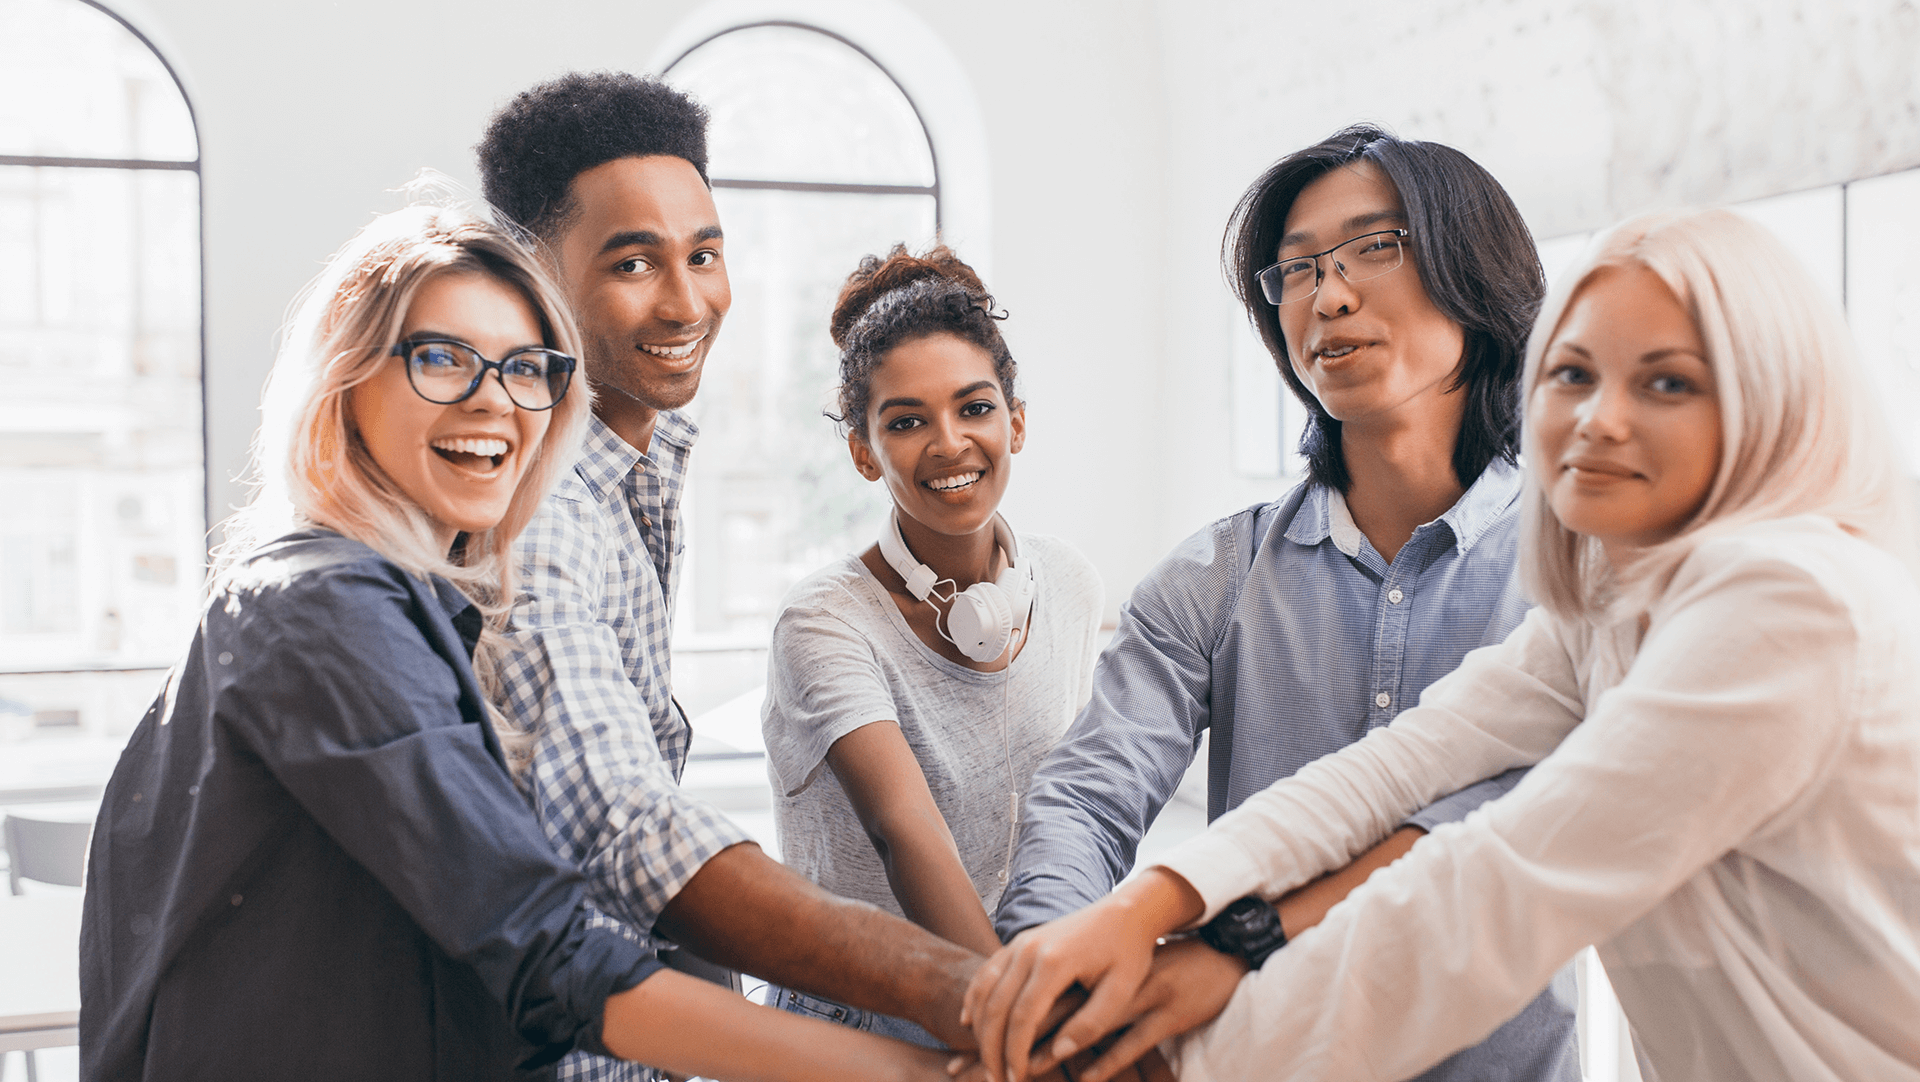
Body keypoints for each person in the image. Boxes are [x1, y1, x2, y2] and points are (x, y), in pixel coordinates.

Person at [964, 207, 1920, 1082]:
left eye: (1667, 381)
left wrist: (1167, 1056)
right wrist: (1144, 911)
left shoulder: (1787, 603)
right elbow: (1387, 770)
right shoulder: (1604, 607)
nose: (1599, 420)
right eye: (1575, 374)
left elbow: (1495, 886)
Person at [78, 205, 958, 1082]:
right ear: (345, 384)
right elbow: (548, 955)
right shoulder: (323, 606)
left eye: (526, 368)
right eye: (442, 358)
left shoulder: (396, 601)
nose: (494, 397)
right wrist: (926, 1068)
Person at [991, 125, 1576, 1080]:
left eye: (1373, 249)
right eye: (1295, 271)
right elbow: (1088, 795)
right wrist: (1060, 968)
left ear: (1479, 275)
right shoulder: (1215, 575)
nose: (1327, 295)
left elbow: (1500, 830)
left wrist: (1232, 944)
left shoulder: (1576, 569)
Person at [475, 73, 986, 1078]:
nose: (687, 298)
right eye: (633, 261)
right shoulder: (537, 517)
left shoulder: (636, 468)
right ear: (531, 273)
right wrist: (978, 998)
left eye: (704, 253)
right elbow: (632, 827)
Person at [758, 246, 1103, 1044]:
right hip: (863, 1014)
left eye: (975, 408)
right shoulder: (823, 623)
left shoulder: (1070, 584)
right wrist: (1024, 1036)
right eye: (907, 421)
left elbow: (1070, 811)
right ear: (862, 451)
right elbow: (905, 830)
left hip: (1009, 982)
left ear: (1015, 422)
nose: (949, 444)